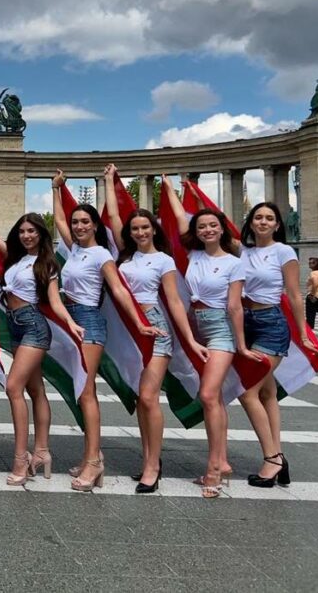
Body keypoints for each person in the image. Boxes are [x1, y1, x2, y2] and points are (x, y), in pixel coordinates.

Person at [52, 169, 162, 492]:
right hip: (70, 320)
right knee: (79, 390)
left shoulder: (101, 254)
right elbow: (59, 221)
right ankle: (92, 454)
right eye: (76, 223)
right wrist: (56, 189)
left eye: (85, 222)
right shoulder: (74, 250)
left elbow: (119, 291)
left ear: (96, 226)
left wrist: (141, 323)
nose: (78, 226)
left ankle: (94, 462)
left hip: (88, 322)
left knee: (86, 392)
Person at [104, 166, 207, 493]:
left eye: (145, 227)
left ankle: (152, 465)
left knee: (149, 396)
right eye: (135, 228)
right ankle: (149, 459)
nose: (139, 232)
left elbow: (175, 301)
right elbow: (114, 222)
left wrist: (188, 338)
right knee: (140, 396)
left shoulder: (163, 260)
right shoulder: (125, 257)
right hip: (130, 329)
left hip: (155, 326)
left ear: (154, 229)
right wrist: (108, 182)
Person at [164, 178, 244, 498]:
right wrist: (169, 187)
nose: (207, 230)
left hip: (222, 329)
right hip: (198, 326)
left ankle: (213, 468)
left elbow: (235, 306)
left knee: (209, 396)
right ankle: (222, 461)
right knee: (217, 399)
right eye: (202, 226)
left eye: (213, 225)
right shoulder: (194, 256)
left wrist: (240, 345)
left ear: (222, 228)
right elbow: (181, 219)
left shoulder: (235, 264)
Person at [238, 202, 318, 488]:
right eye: (258, 217)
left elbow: (295, 295)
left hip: (270, 323)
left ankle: (271, 458)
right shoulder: (242, 251)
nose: (263, 222)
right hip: (245, 322)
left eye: (269, 218)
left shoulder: (284, 251)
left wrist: (303, 332)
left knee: (247, 392)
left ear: (277, 225)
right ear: (250, 223)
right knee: (267, 393)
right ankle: (279, 458)